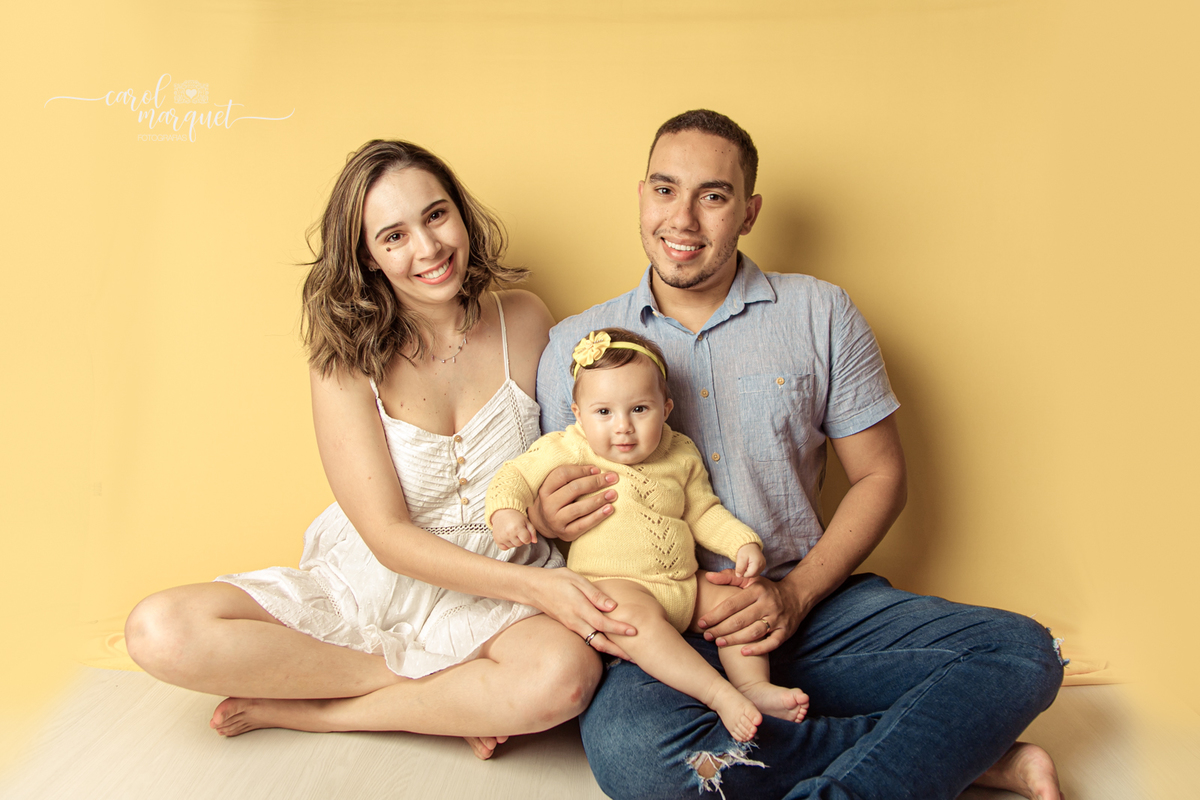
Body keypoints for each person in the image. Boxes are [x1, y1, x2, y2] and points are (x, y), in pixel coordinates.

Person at [531, 110, 1066, 799]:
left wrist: (793, 596)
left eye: (713, 196)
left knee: (1024, 653)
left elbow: (881, 475)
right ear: (642, 196)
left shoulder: (821, 312)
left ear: (749, 212)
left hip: (810, 611)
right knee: (639, 758)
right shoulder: (577, 349)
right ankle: (971, 758)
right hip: (656, 631)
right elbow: (541, 517)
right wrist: (545, 516)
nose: (683, 219)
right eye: (665, 190)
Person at [122, 139, 634, 761]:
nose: (428, 248)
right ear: (366, 257)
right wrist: (535, 595)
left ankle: (328, 715)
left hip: (503, 583)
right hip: (381, 578)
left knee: (563, 679)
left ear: (461, 215)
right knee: (158, 631)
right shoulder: (342, 361)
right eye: (393, 236)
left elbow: (558, 458)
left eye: (436, 215)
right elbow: (387, 535)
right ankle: (440, 695)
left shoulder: (525, 321)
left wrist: (544, 520)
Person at [485, 328, 809, 742]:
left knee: (738, 605)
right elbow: (515, 474)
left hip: (682, 586)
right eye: (603, 412)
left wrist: (741, 542)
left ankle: (752, 687)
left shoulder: (681, 452)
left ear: (666, 407)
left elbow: (703, 511)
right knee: (634, 622)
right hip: (614, 589)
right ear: (578, 413)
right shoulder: (570, 445)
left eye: (639, 409)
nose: (623, 427)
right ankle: (718, 693)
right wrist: (506, 511)